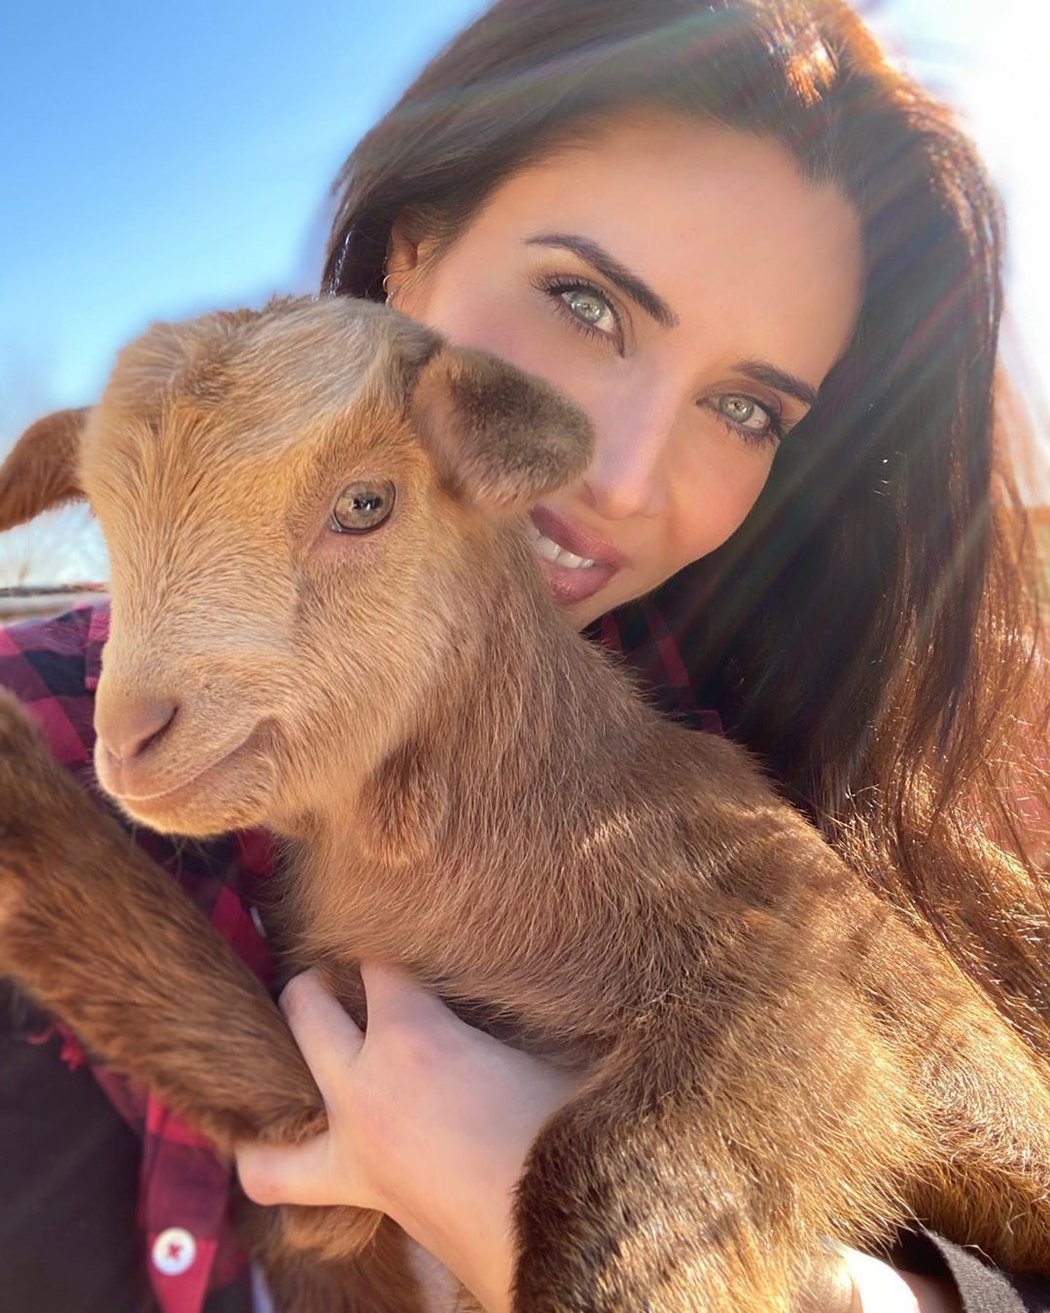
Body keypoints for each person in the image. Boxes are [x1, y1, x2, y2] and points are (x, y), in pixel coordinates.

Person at [0, 1, 1045, 1311]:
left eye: (743, 406)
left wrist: (826, 1287)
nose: (614, 475)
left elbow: (974, 1138)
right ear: (408, 256)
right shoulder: (58, 723)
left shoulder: (794, 728)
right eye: (581, 301)